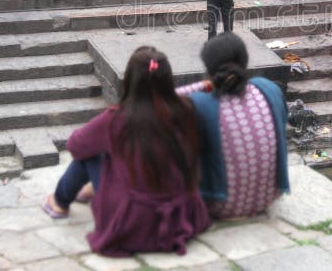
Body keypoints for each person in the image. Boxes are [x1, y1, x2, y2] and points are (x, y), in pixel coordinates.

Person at [42, 46, 209, 256]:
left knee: (91, 152)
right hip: (179, 211)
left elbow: (76, 145)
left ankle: (59, 202)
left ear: (130, 81)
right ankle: (88, 192)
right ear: (168, 80)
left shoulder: (116, 118)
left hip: (134, 220)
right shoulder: (186, 109)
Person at [176, 33, 289, 219]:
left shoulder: (200, 104)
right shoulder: (268, 88)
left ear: (209, 68)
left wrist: (204, 85)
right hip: (269, 196)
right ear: (245, 60)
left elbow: (161, 103)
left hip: (218, 205)